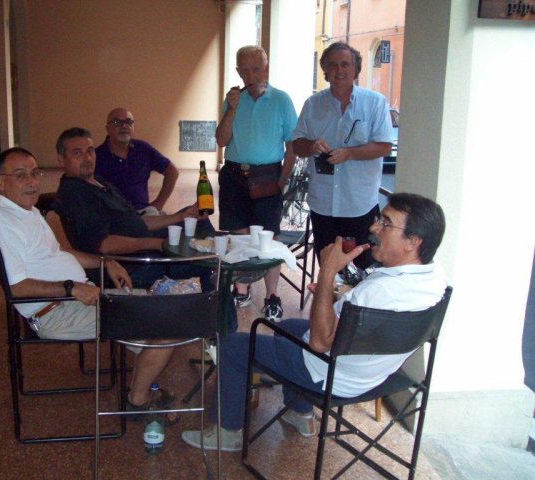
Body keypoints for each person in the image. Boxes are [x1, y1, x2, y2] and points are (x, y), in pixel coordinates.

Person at [181, 193, 448, 451]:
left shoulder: (379, 291)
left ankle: (226, 433)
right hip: (372, 372)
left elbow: (320, 343)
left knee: (233, 345)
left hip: (331, 373)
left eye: (385, 223)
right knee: (288, 328)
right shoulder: (434, 278)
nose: (373, 227)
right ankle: (299, 412)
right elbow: (374, 311)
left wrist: (328, 272)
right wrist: (341, 295)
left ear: (413, 241)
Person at [0, 147, 177, 415]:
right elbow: (17, 288)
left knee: (160, 308)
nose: (32, 182)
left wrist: (105, 262)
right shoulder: (2, 223)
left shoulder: (25, 212)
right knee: (168, 326)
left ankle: (144, 378)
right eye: (21, 175)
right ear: (0, 182)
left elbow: (58, 253)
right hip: (57, 311)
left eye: (35, 173)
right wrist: (71, 288)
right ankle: (138, 401)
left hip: (75, 300)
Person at [52, 127, 236, 330]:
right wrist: (157, 244)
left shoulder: (98, 183)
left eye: (90, 151)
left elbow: (137, 222)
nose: (87, 158)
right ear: (61, 160)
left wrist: (181, 216)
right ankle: (224, 333)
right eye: (77, 153)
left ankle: (222, 265)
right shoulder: (76, 193)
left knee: (196, 220)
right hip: (132, 266)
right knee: (210, 266)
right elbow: (105, 245)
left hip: (142, 248)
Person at [292, 42, 394, 270]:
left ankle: (356, 296)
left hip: (359, 204)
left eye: (345, 64)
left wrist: (350, 154)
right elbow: (297, 145)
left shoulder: (375, 103)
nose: (339, 70)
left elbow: (385, 146)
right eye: (332, 65)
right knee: (328, 267)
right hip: (323, 204)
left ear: (356, 69)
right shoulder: (312, 104)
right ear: (325, 70)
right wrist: (311, 145)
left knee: (364, 267)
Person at [216, 45, 298, 322]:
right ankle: (243, 289)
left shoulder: (281, 100)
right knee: (239, 235)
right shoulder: (233, 99)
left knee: (268, 239)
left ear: (266, 69)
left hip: (268, 175)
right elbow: (221, 140)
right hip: (234, 174)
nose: (251, 76)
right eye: (245, 70)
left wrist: (283, 178)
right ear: (238, 71)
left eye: (256, 69)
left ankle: (272, 296)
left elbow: (292, 145)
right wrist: (231, 109)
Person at [95, 107, 180, 214]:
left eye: (128, 122)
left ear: (133, 127)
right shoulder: (96, 156)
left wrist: (159, 204)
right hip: (112, 216)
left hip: (143, 213)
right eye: (117, 122)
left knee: (187, 215)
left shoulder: (143, 149)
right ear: (107, 128)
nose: (124, 126)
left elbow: (172, 171)